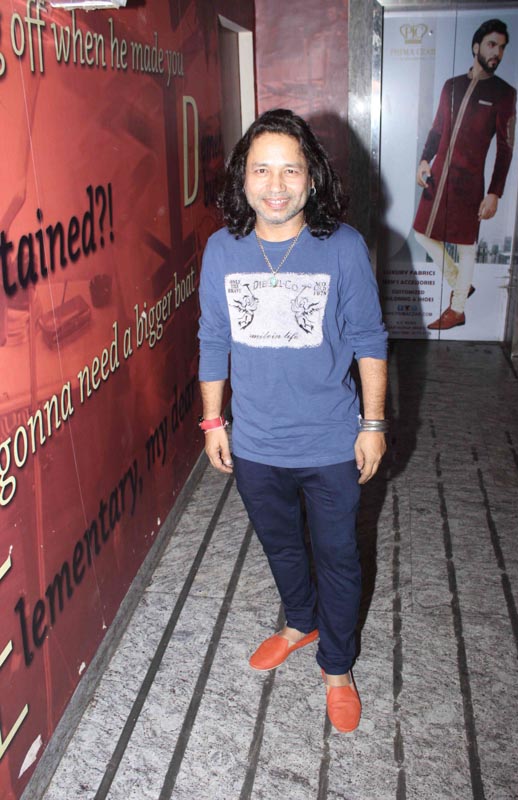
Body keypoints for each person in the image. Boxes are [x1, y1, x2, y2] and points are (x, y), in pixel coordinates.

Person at [198, 109, 388, 733]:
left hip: (331, 441)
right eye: (261, 170)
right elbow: (212, 338)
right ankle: (301, 622)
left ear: (312, 178)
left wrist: (373, 424)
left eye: (290, 170)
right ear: (242, 178)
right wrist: (213, 421)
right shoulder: (222, 250)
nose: (275, 185)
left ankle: (337, 666)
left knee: (338, 556)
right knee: (280, 545)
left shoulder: (344, 247)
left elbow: (368, 340)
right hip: (256, 443)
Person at [413, 18, 516, 331]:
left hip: (469, 183)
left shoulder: (504, 94)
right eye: (491, 44)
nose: (497, 52)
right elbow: (437, 129)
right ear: (476, 46)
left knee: (467, 245)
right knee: (422, 233)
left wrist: (495, 192)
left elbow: (505, 148)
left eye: (502, 47)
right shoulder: (452, 86)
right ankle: (461, 282)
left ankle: (457, 309)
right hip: (438, 176)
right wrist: (424, 159)